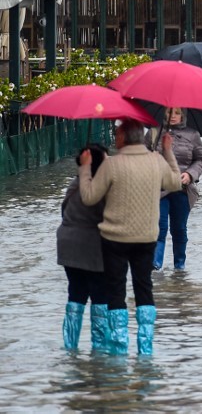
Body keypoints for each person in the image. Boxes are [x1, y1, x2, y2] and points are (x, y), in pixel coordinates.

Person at [77, 119, 180, 356]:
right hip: (146, 237)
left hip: (114, 239)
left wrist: (85, 169)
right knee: (144, 287)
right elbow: (175, 183)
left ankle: (119, 347)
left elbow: (90, 197)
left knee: (115, 290)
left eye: (116, 134)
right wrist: (167, 151)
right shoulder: (156, 161)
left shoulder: (112, 164)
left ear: (123, 137)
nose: (114, 138)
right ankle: (145, 348)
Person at [57, 143, 109, 352]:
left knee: (75, 294)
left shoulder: (74, 183)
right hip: (91, 249)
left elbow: (64, 211)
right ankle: (99, 350)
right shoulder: (99, 188)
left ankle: (70, 345)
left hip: (67, 246)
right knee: (99, 296)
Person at [151, 108, 202, 271]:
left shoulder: (192, 135)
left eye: (177, 113)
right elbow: (142, 155)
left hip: (182, 189)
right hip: (159, 188)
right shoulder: (155, 133)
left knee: (179, 229)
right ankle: (156, 264)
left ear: (183, 115)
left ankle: (179, 266)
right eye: (169, 112)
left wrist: (190, 174)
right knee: (159, 227)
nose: (173, 116)